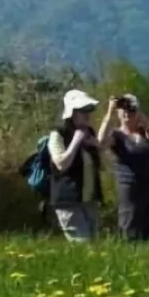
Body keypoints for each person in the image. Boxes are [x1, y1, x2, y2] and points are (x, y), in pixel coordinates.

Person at [97, 94, 149, 242]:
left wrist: (139, 114)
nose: (127, 113)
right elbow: (100, 143)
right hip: (128, 185)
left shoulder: (145, 133)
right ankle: (127, 246)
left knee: (147, 220)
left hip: (148, 185)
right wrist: (110, 112)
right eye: (123, 110)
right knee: (129, 219)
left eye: (131, 110)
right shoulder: (116, 135)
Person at [47, 89, 105, 243]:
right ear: (71, 113)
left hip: (89, 201)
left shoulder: (89, 133)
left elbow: (98, 166)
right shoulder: (57, 135)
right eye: (83, 110)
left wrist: (96, 145)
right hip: (69, 202)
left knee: (94, 247)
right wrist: (75, 142)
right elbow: (61, 164)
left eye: (89, 109)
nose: (88, 114)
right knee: (83, 245)